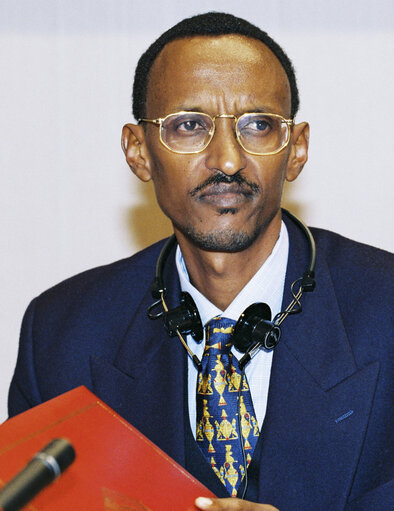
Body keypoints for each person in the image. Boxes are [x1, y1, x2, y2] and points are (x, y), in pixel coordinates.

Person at [8, 12, 393, 511]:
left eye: (258, 125)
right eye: (190, 126)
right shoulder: (62, 335)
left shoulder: (386, 312)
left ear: (296, 151)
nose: (228, 160)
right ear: (139, 151)